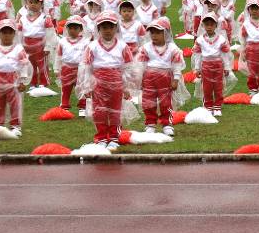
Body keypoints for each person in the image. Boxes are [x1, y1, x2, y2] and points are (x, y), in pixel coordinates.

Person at [79, 13, 136, 148]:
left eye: (110, 27)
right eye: (104, 27)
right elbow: (86, 67)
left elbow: (128, 68)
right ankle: (102, 137)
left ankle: (114, 137)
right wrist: (86, 87)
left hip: (116, 84)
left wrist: (127, 87)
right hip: (98, 84)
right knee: (99, 111)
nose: (107, 30)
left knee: (115, 111)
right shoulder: (92, 47)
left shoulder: (123, 46)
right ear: (99, 29)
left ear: (116, 28)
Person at [135, 19, 186, 136]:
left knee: (166, 102)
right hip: (149, 78)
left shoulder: (173, 49)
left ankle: (166, 124)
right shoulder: (146, 48)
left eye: (158, 33)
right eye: (152, 33)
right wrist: (140, 78)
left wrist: (176, 79)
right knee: (148, 102)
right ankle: (150, 124)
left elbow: (176, 65)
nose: (154, 36)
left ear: (166, 33)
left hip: (165, 79)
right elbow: (141, 64)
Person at [56, 16, 90, 114]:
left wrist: (88, 69)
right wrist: (57, 69)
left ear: (81, 29)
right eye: (70, 28)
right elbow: (58, 56)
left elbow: (88, 57)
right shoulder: (62, 42)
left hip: (80, 69)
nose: (72, 30)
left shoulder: (85, 42)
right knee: (65, 88)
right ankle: (64, 106)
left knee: (82, 88)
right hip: (66, 68)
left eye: (75, 28)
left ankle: (82, 107)